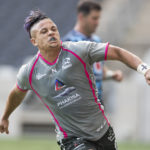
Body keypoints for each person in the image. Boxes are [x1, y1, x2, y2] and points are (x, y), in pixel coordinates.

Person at [0, 10, 150, 150]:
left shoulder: (79, 50)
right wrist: (5, 117)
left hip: (102, 130)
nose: (51, 33)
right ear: (34, 41)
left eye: (53, 29)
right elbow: (17, 93)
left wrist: (144, 69)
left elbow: (117, 52)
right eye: (44, 31)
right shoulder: (29, 72)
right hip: (71, 138)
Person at [63, 0, 123, 101]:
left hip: (98, 103)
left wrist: (112, 75)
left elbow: (97, 72)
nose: (97, 23)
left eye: (98, 18)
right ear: (81, 17)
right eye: (94, 18)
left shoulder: (97, 41)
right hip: (80, 105)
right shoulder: (69, 43)